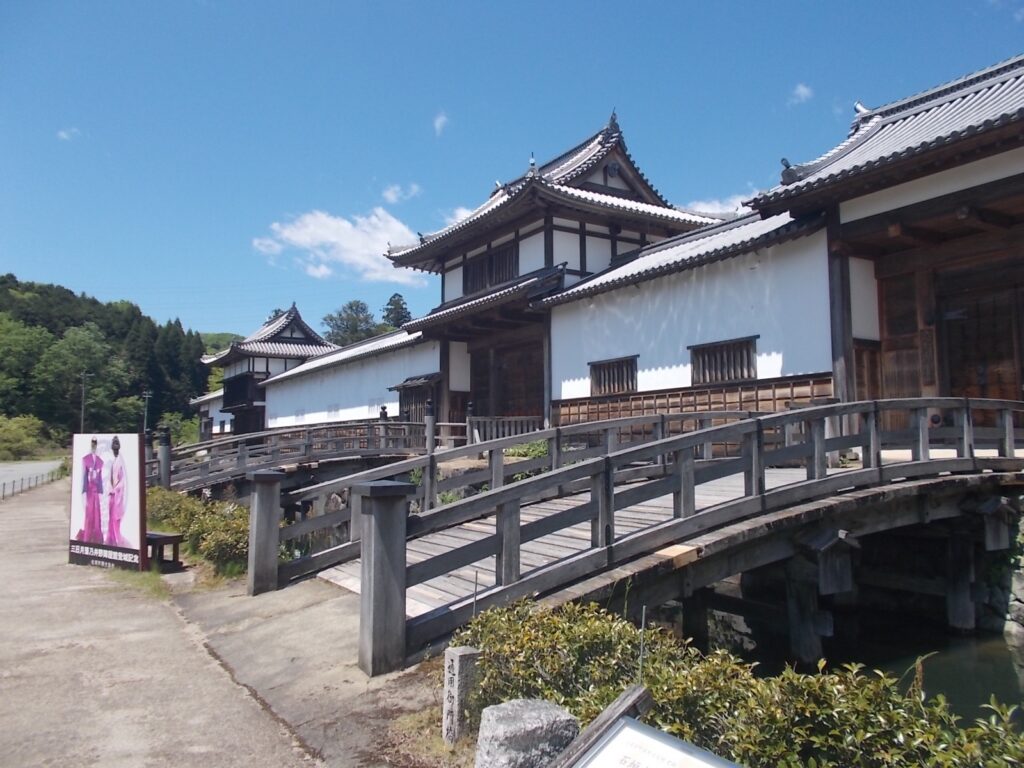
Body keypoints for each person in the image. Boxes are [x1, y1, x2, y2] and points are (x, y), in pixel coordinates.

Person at [79, 436, 103, 543]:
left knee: (97, 513)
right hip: (89, 490)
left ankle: (97, 536)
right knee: (89, 513)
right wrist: (84, 490)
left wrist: (100, 490)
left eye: (95, 443)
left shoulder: (100, 461)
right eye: (93, 443)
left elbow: (100, 478)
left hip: (96, 491)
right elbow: (84, 476)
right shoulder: (86, 459)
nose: (94, 445)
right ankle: (88, 536)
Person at [106, 436, 127, 547]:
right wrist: (110, 488)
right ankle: (112, 539)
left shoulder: (120, 462)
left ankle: (117, 539)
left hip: (117, 494)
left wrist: (115, 489)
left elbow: (122, 481)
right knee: (111, 517)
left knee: (116, 517)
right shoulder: (114, 461)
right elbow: (110, 479)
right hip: (112, 493)